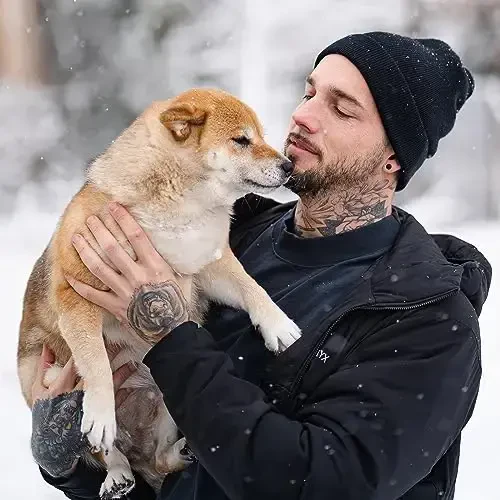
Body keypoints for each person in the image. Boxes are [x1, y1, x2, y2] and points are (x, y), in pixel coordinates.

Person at [32, 32, 492, 499]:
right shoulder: (231, 233)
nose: (303, 116)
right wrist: (76, 467)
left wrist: (171, 337)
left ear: (393, 157)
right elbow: (177, 481)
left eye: (341, 108)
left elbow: (316, 485)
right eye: (309, 92)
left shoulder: (426, 320)